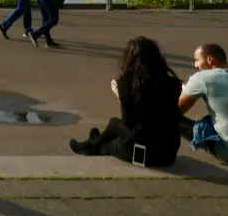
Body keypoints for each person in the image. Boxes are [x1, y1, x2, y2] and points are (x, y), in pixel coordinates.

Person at [69, 37, 182, 166]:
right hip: (168, 153)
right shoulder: (173, 83)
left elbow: (128, 122)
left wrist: (119, 95)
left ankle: (91, 145)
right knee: (114, 124)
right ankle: (94, 141)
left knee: (107, 145)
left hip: (144, 154)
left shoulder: (128, 85)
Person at [179, 43, 228, 162]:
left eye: (197, 60)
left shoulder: (204, 77)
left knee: (166, 115)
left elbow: (177, 110)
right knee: (210, 118)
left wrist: (182, 91)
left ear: (210, 59)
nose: (195, 65)